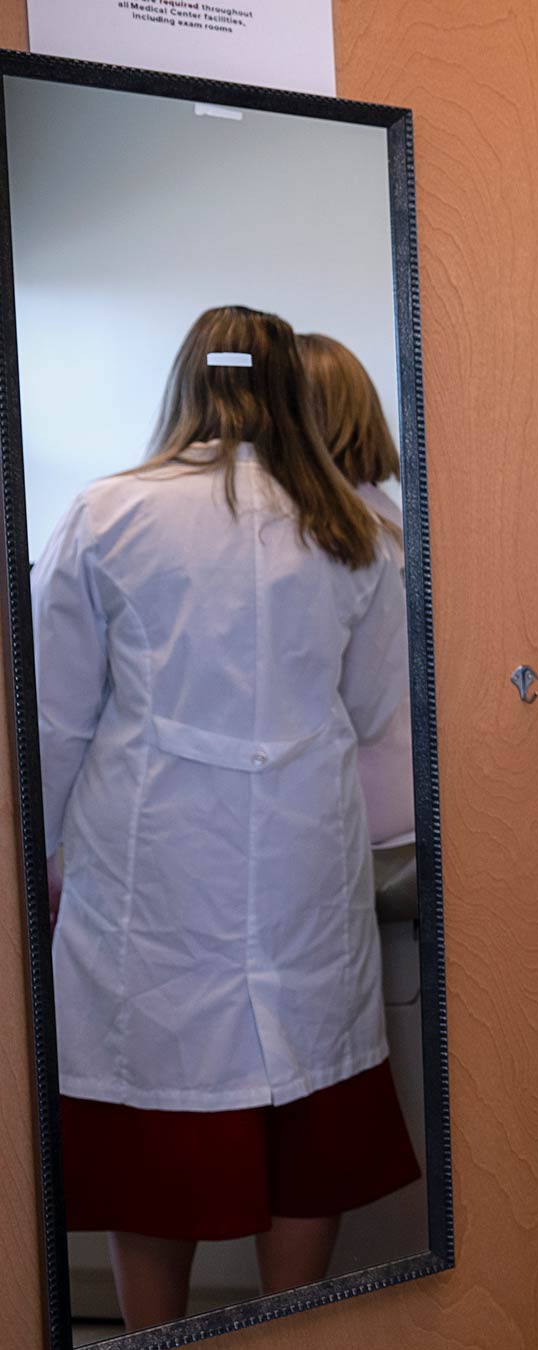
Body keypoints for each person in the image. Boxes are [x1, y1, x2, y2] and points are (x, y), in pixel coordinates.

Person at [36, 306, 420, 1330]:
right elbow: (380, 706)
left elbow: (54, 722)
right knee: (307, 1114)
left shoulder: (106, 513)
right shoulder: (354, 530)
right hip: (305, 865)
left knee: (150, 1123)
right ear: (291, 384)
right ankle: (292, 1327)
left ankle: (159, 1335)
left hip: (152, 868)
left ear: (187, 382)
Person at [298, 331, 414, 853]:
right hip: (405, 778)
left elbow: (354, 705)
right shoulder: (387, 516)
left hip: (365, 797)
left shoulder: (336, 532)